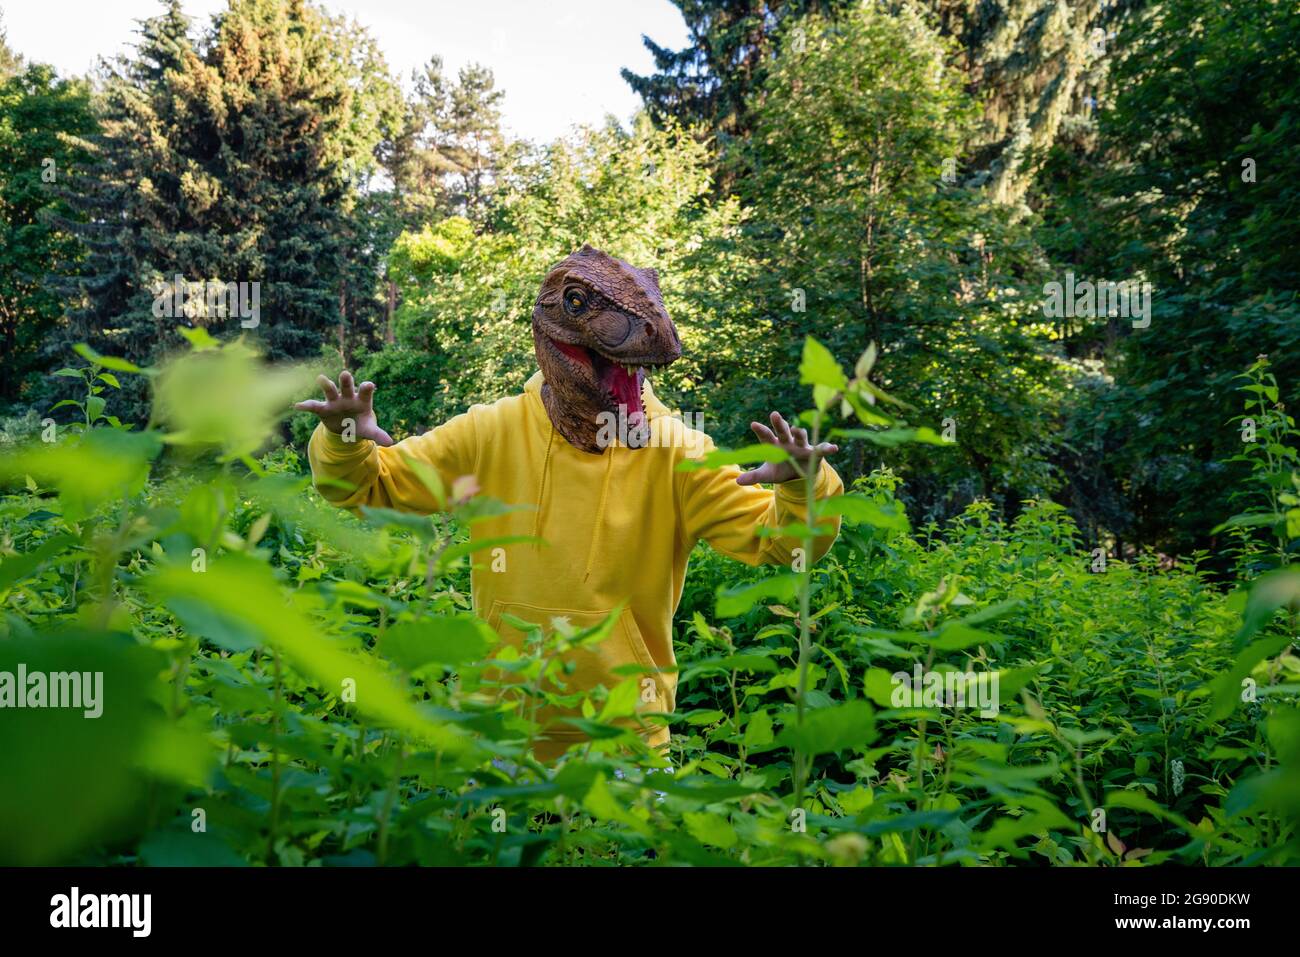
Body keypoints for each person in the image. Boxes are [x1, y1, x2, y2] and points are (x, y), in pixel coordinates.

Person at [296, 245, 843, 762]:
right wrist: (344, 441)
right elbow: (372, 489)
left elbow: (782, 548)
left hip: (625, 735)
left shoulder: (678, 450)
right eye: (579, 304)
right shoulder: (491, 431)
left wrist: (802, 487)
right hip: (502, 728)